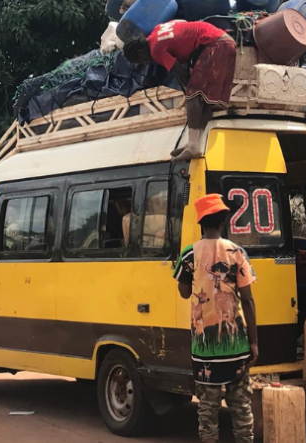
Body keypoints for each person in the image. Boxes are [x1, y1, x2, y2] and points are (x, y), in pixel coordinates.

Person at [173, 194, 258, 443]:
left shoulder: (189, 255)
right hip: (237, 348)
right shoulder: (237, 252)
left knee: (207, 413)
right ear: (223, 222)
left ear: (201, 223)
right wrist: (254, 342)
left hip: (204, 352)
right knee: (242, 410)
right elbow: (248, 300)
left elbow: (184, 292)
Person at [124, 21, 237, 163]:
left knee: (194, 96)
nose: (146, 64)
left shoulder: (155, 49)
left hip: (213, 45)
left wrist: (188, 88)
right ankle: (196, 142)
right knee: (206, 100)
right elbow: (182, 25)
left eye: (141, 61)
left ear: (140, 52)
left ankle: (194, 144)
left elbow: (180, 73)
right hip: (227, 42)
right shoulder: (157, 30)